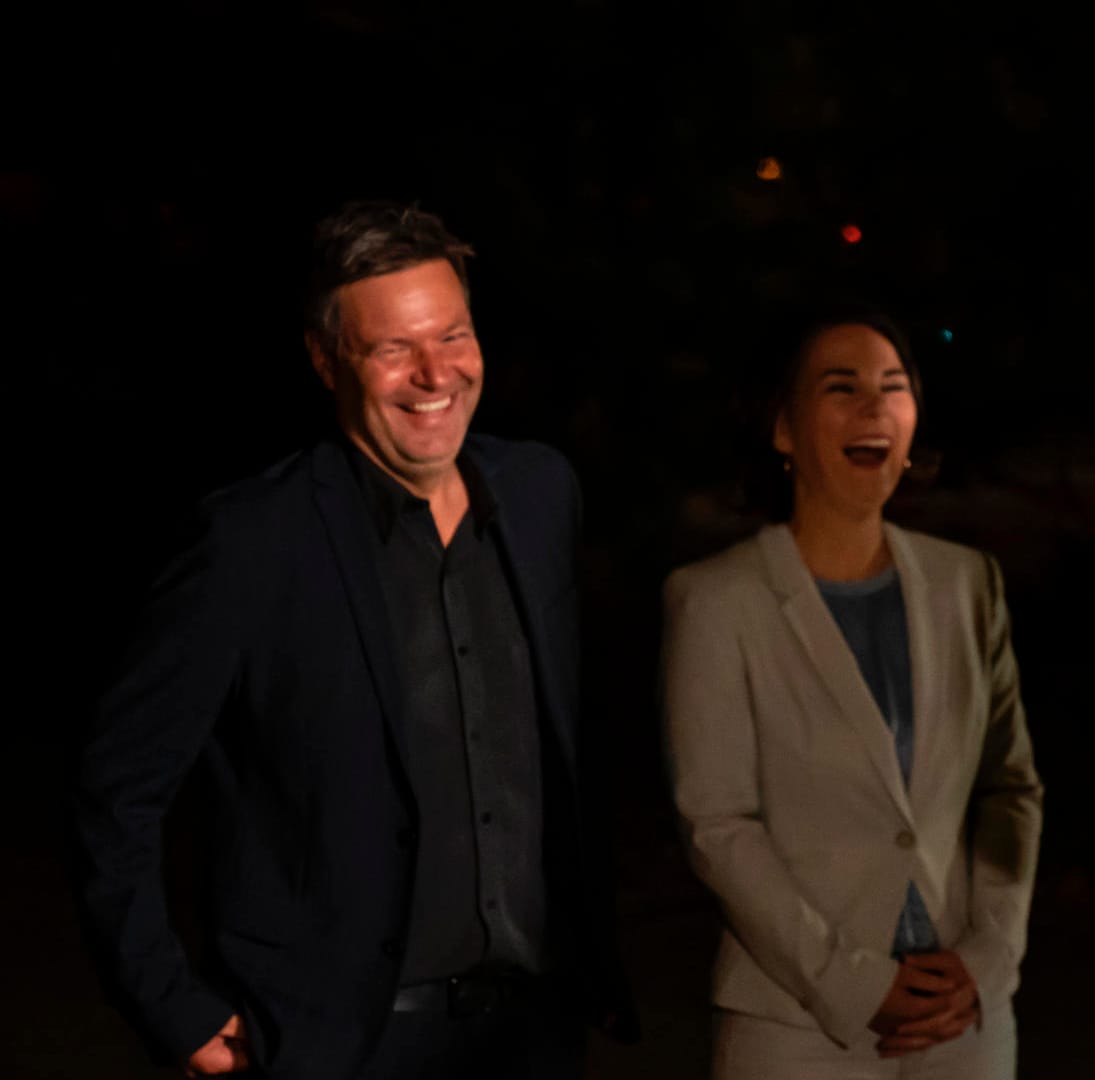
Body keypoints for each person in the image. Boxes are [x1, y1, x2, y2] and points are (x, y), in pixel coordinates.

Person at [72, 202, 631, 1079]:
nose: (433, 373)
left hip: (535, 1032)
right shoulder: (249, 542)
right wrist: (170, 1004)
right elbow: (116, 791)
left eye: (452, 335)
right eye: (392, 349)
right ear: (325, 357)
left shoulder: (540, 493)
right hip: (339, 1045)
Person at [662, 309, 1043, 1078]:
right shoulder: (716, 600)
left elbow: (1011, 787)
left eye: (893, 387)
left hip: (961, 1016)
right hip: (794, 1022)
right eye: (842, 388)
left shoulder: (966, 584)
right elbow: (718, 823)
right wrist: (856, 981)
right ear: (783, 428)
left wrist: (988, 958)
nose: (874, 408)